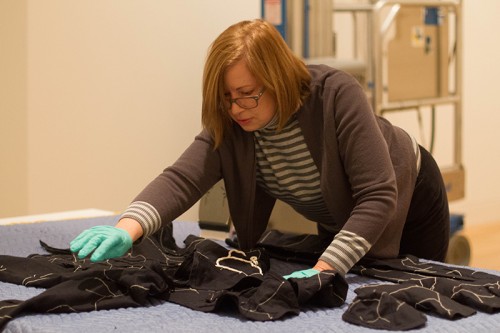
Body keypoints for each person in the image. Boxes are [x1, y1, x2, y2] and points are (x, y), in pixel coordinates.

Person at [70, 19, 450, 278]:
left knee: (411, 288)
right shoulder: (233, 123)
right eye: (226, 98)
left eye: (248, 95)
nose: (236, 109)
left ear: (278, 79)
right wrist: (127, 228)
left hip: (409, 192)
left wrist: (325, 270)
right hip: (342, 210)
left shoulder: (336, 95)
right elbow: (182, 178)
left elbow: (377, 195)